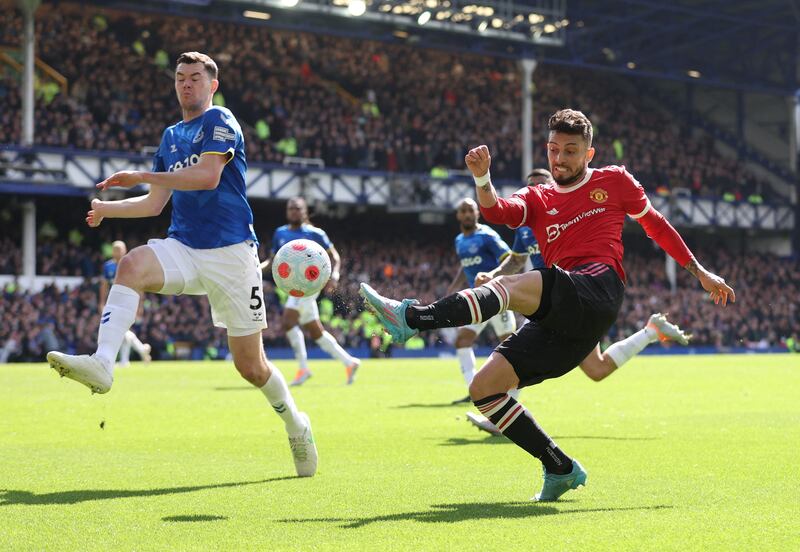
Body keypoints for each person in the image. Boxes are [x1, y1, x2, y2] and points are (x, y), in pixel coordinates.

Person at [361, 108, 734, 501]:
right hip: (565, 317)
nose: (560, 159)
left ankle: (414, 318)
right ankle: (559, 467)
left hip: (600, 288)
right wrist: (482, 178)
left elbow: (656, 224)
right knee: (485, 390)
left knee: (510, 285)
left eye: (571, 151)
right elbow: (497, 212)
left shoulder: (614, 180)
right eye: (554, 150)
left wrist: (701, 273)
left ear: (589, 154)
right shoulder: (538, 198)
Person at [46, 52, 317, 477]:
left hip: (232, 255)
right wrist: (107, 208)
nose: (186, 84)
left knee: (250, 366)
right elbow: (156, 204)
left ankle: (295, 423)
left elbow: (207, 176)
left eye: (194, 78)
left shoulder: (221, 120)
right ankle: (103, 362)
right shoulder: (171, 136)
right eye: (179, 78)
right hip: (186, 246)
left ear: (212, 84)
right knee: (131, 265)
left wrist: (142, 174)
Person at [466, 169, 692, 436]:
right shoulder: (527, 225)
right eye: (530, 187)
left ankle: (498, 414)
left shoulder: (569, 209)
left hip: (573, 295)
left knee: (524, 353)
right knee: (596, 369)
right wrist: (492, 276)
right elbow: (516, 260)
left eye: (541, 185)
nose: (535, 191)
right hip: (546, 297)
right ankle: (649, 332)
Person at [260, 197, 360, 386]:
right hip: (292, 288)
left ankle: (303, 368)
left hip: (308, 287)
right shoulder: (279, 233)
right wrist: (257, 269)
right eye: (290, 208)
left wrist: (335, 275)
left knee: (288, 321)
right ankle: (349, 362)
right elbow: (273, 260)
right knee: (316, 333)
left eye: (298, 208)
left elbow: (334, 257)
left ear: (305, 211)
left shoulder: (315, 234)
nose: (294, 211)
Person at [447, 197, 516, 404]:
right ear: (458, 215)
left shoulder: (487, 235)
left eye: (471, 210)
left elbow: (508, 258)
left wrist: (493, 276)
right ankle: (473, 391)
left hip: (497, 297)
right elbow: (464, 266)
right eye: (464, 211)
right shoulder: (459, 240)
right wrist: (454, 286)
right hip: (476, 300)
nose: (467, 214)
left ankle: (512, 392)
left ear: (478, 213)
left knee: (510, 345)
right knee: (462, 340)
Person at [100, 240, 152, 366]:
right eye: (115, 249)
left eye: (119, 249)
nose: (117, 252)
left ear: (124, 251)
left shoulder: (131, 265)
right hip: (113, 302)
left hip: (129, 300)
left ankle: (126, 359)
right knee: (121, 330)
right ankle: (141, 350)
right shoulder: (108, 266)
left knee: (122, 329)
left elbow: (140, 286)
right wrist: (101, 302)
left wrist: (140, 305)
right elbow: (104, 285)